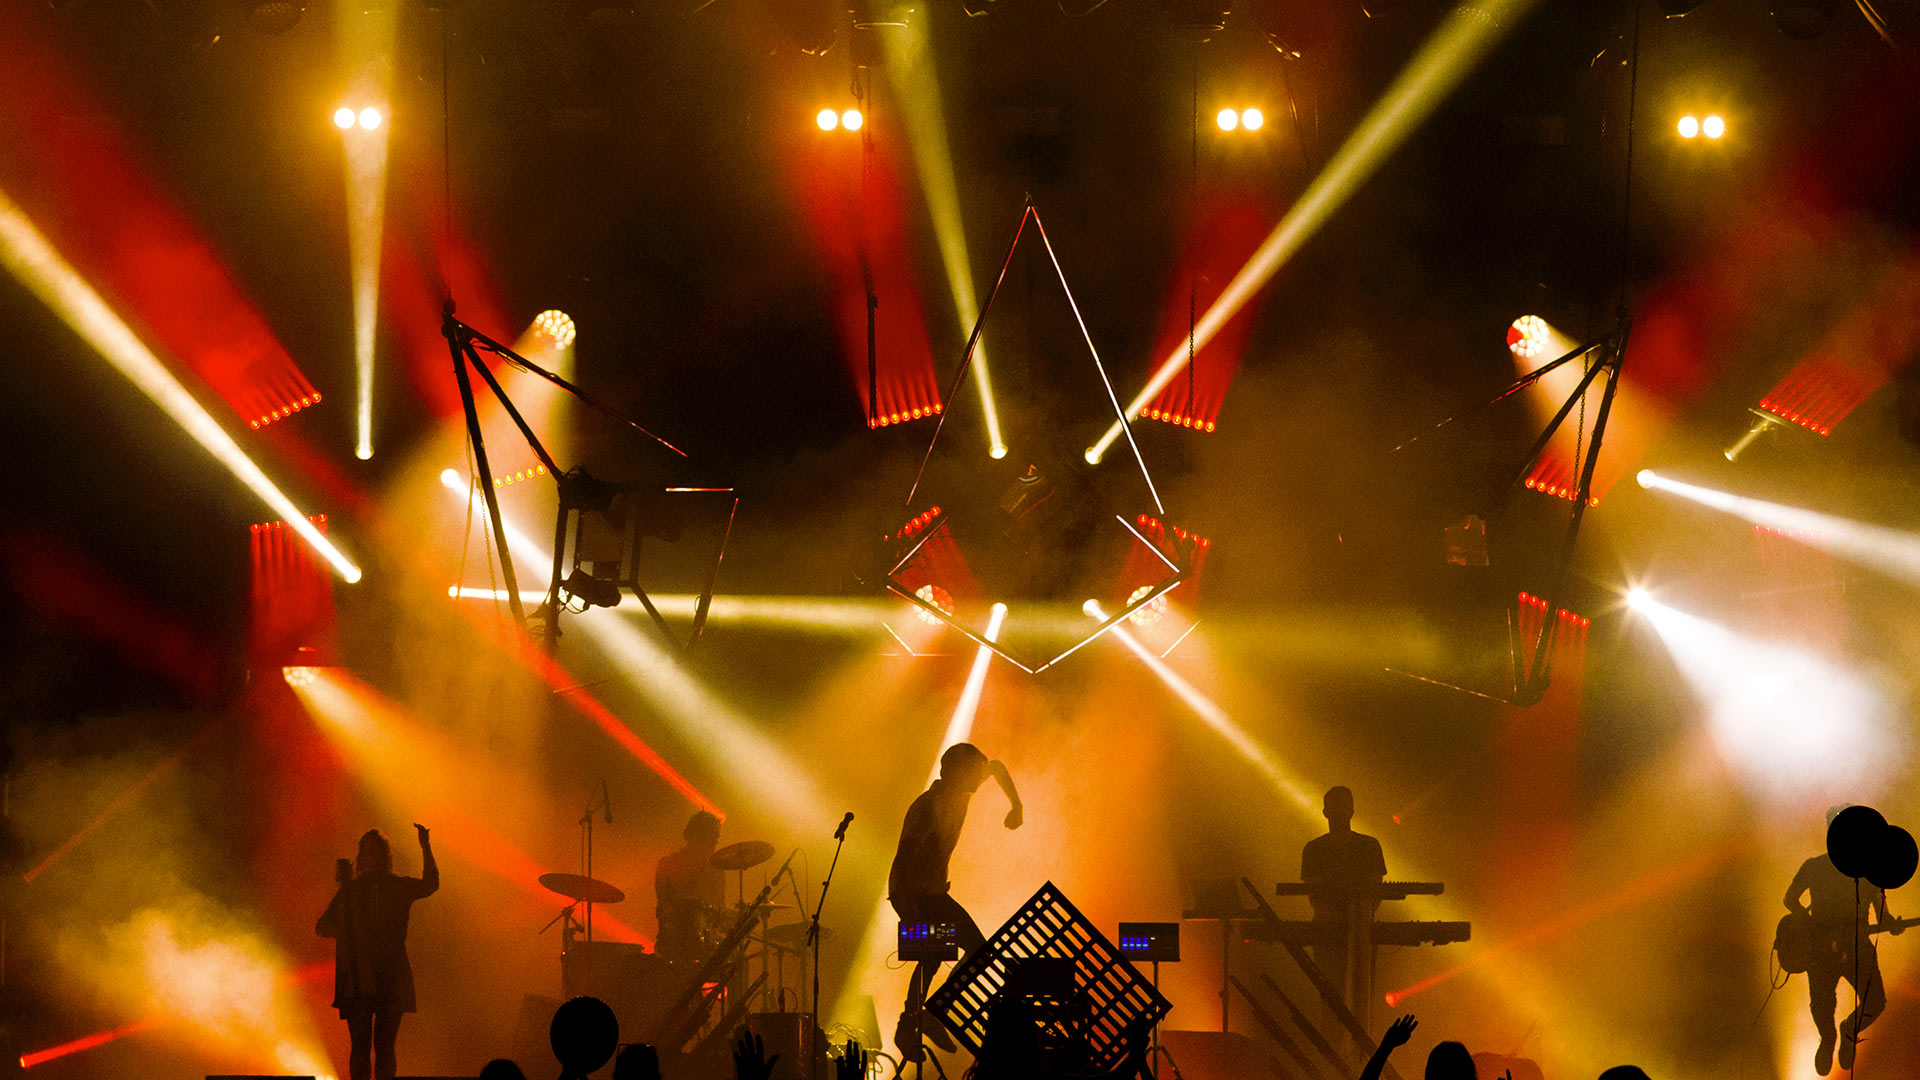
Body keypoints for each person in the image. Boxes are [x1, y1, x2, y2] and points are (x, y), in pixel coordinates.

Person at [888, 743, 1023, 1060]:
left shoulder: (959, 793)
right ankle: (927, 1016)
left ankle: (913, 1022)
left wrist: (1016, 805)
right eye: (975, 772)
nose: (980, 778)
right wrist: (908, 906)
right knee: (974, 950)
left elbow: (998, 767)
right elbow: (903, 856)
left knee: (935, 958)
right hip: (915, 892)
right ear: (957, 772)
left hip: (932, 892)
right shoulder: (928, 807)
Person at [317, 824, 439, 1080]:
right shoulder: (352, 890)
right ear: (360, 856)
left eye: (375, 849)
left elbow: (430, 884)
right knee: (360, 1047)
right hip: (358, 978)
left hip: (391, 974)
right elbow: (322, 925)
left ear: (385, 855)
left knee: (385, 1047)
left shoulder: (397, 886)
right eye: (366, 850)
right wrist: (340, 931)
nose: (371, 855)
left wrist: (425, 846)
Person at [1785, 811, 1901, 1076]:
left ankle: (1846, 1031)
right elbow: (1790, 900)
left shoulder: (1869, 873)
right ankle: (1828, 1039)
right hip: (1823, 948)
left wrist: (1891, 922)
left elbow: (1882, 911)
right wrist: (1808, 925)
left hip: (1854, 946)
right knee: (1822, 1004)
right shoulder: (1813, 866)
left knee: (1874, 1002)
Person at [1301, 786, 1387, 1027]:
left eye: (1343, 805)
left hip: (1358, 928)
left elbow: (1376, 891)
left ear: (1351, 811)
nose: (1339, 811)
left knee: (1362, 997)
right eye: (1335, 806)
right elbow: (1315, 896)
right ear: (1325, 812)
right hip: (1332, 928)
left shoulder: (1369, 846)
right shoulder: (1314, 849)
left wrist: (1355, 916)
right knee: (1330, 996)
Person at [655, 811, 727, 961]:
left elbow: (720, 909)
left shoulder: (716, 869)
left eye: (717, 837)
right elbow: (669, 905)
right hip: (674, 943)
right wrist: (699, 872)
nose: (716, 842)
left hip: (708, 943)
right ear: (695, 836)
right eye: (712, 836)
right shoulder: (668, 864)